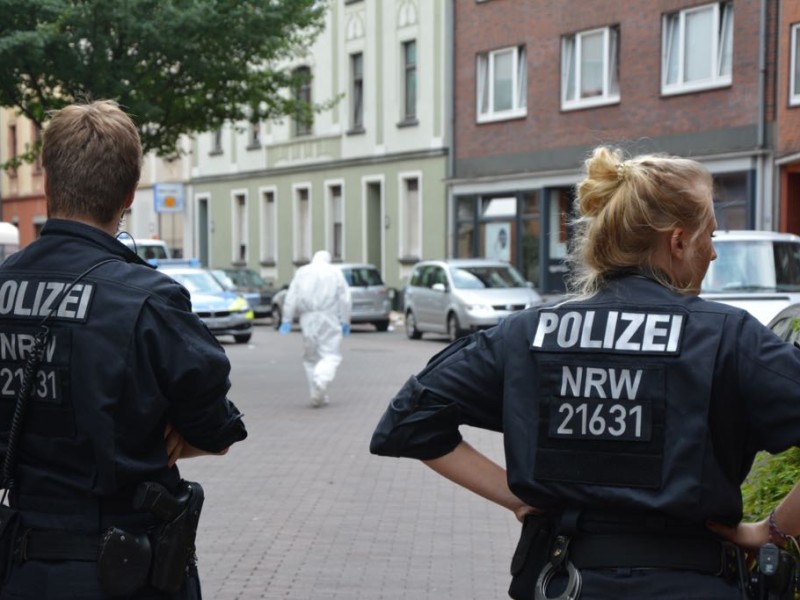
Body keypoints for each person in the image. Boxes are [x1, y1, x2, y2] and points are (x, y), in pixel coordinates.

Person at [370, 145, 800, 599]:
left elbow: (407, 422)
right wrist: (773, 530)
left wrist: (516, 498)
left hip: (565, 583)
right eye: (709, 235)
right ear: (678, 242)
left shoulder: (529, 332)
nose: (712, 253)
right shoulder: (727, 338)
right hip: (692, 582)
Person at [0, 100, 247, 599]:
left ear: (47, 182)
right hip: (125, 568)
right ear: (130, 194)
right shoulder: (150, 300)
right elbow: (218, 430)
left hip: (21, 566)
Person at [278, 250, 352, 408]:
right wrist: (345, 320)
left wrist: (287, 319)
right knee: (331, 354)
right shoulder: (335, 272)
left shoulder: (302, 272)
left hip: (308, 319)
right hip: (329, 317)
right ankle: (321, 380)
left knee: (310, 357)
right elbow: (345, 298)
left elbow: (291, 297)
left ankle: (317, 394)